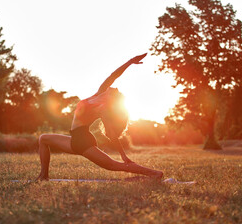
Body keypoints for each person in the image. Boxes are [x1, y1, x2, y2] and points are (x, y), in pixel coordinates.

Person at [36, 53, 164, 181]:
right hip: (75, 138)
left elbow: (111, 134)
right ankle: (43, 176)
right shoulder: (98, 94)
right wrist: (130, 62)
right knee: (43, 139)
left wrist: (123, 155)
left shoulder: (102, 109)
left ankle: (155, 173)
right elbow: (113, 76)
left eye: (116, 91)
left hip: (82, 140)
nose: (115, 87)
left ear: (111, 99)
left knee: (115, 165)